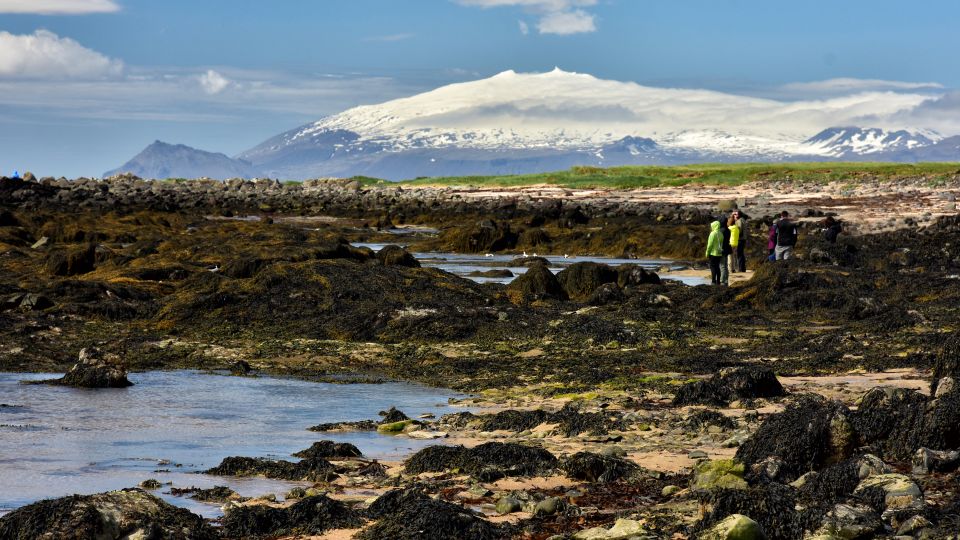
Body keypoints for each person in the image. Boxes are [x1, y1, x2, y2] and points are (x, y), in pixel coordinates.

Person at [705, 219, 723, 285]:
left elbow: (709, 245)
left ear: (714, 226)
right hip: (719, 253)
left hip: (713, 253)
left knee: (712, 267)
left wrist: (707, 253)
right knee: (717, 267)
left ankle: (713, 281)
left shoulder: (712, 234)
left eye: (712, 226)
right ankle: (718, 281)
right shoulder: (721, 233)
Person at [719, 217, 731, 285]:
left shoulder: (721, 231)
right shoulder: (728, 230)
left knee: (722, 265)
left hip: (722, 249)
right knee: (725, 265)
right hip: (727, 249)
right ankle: (726, 279)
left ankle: (722, 280)